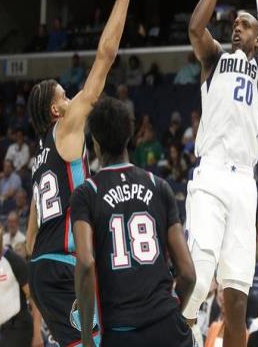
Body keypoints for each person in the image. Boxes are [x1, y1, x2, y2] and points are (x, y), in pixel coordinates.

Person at [26, 0, 145, 347]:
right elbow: (105, 56)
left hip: (43, 268)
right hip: (63, 266)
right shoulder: (67, 127)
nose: (72, 98)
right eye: (65, 95)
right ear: (56, 110)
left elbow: (31, 228)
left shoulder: (40, 154)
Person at [182, 0, 258, 345]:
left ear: (257, 39)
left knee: (237, 302)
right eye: (235, 23)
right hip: (212, 173)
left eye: (245, 24)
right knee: (198, 279)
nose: (237, 26)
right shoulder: (215, 58)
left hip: (244, 185)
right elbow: (194, 27)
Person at [70, 96, 195, 347]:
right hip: (168, 326)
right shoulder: (159, 186)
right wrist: (170, 313)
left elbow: (85, 263)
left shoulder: (86, 194)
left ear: (95, 143)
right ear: (129, 136)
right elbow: (188, 275)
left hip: (121, 332)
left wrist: (86, 337)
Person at [0, 216, 39, 347]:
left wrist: (37, 334)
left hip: (21, 325)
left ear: (2, 231)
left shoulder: (15, 261)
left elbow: (34, 298)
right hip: (4, 329)